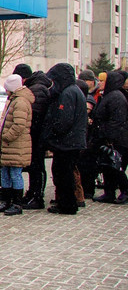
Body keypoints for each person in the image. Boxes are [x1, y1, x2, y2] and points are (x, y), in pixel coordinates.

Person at [42, 63, 86, 216]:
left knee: (63, 174)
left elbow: (64, 120)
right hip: (72, 141)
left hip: (67, 143)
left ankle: (67, 205)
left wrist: (53, 133)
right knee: (64, 173)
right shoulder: (74, 90)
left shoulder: (68, 93)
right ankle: (66, 203)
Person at [0, 74, 33, 216]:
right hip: (9, 146)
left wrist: (5, 137)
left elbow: (19, 125)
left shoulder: (20, 102)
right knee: (5, 173)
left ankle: (16, 203)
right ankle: (7, 200)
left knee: (15, 174)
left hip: (16, 145)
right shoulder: (13, 100)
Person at [89, 70, 128, 203]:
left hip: (116, 139)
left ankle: (125, 191)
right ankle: (109, 192)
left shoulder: (116, 97)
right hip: (108, 137)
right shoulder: (108, 95)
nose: (99, 83)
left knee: (115, 166)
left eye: (102, 81)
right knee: (107, 166)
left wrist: (106, 134)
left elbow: (117, 121)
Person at [21, 65, 52, 209]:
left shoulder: (37, 89)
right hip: (37, 134)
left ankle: (37, 196)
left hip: (37, 135)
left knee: (37, 166)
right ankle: (33, 193)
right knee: (35, 166)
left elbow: (36, 115)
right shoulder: (37, 87)